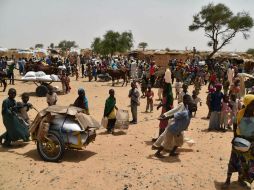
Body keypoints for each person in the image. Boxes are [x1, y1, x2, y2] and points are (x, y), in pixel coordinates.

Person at [223, 94, 254, 188]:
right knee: (234, 160)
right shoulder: (240, 113)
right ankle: (228, 180)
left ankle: (241, 179)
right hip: (239, 141)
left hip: (251, 143)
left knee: (247, 163)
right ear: (248, 104)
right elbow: (235, 125)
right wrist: (236, 137)